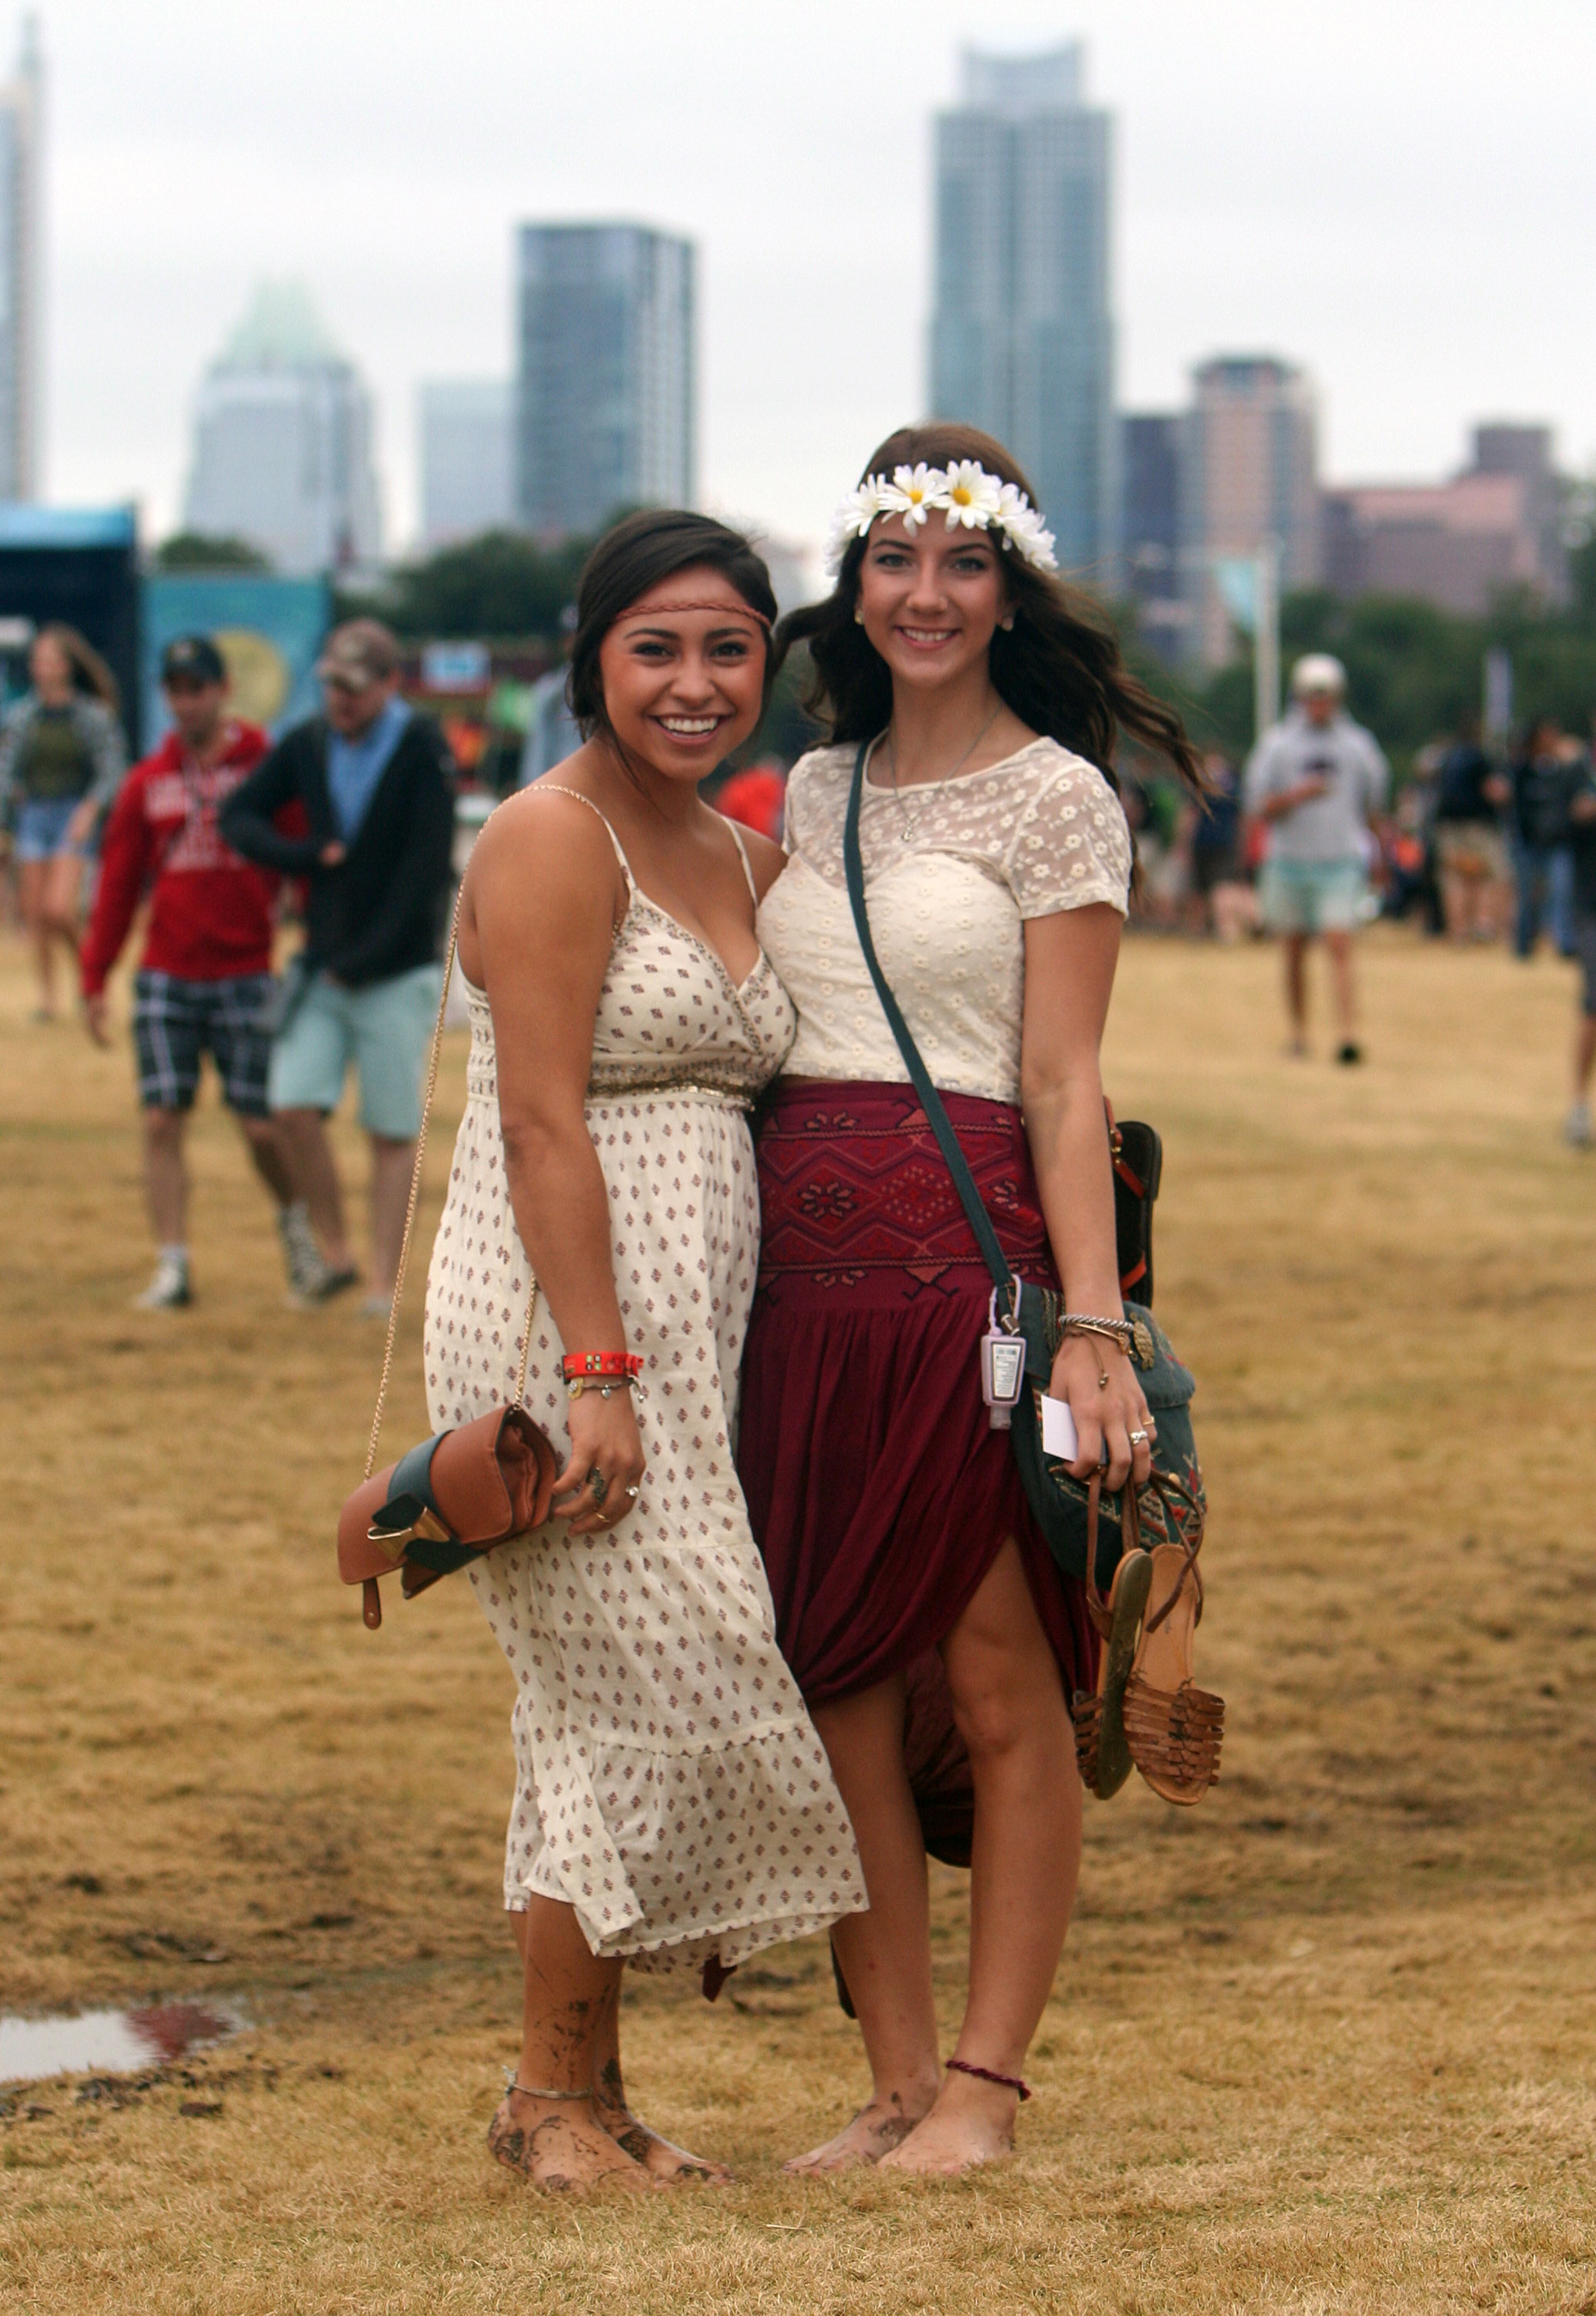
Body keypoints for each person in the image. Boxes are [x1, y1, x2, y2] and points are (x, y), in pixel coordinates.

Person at [736, 423, 1204, 2179]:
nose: (925, 594)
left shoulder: (1058, 796)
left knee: (1003, 1684)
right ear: (854, 582)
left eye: (964, 562)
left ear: (1010, 592)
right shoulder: (815, 787)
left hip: (972, 1281)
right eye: (895, 560)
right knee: (841, 1682)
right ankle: (891, 2080)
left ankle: (986, 2088)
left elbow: (1066, 1082)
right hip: (803, 1288)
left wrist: (1093, 1323)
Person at [422, 509, 861, 2192]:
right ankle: (553, 2092)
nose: (694, 682)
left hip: (698, 1328)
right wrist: (598, 1375)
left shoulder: (745, 858)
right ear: (592, 660)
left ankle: (576, 2098)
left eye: (728, 648)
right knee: (649, 1686)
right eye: (655, 648)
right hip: (563, 1326)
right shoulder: (552, 837)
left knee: (590, 1702)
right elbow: (540, 1123)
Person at [79, 635, 333, 1310]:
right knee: (161, 1119)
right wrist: (95, 975)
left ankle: (298, 1234)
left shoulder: (267, 769)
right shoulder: (148, 782)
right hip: (167, 970)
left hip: (247, 969)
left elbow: (305, 852)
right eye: (176, 690)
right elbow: (118, 884)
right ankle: (173, 1264)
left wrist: (316, 938)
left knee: (261, 1126)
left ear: (223, 691)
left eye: (197, 688)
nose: (186, 702)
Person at [220, 620, 455, 1315]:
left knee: (390, 1131)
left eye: (354, 688)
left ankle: (383, 1283)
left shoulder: (423, 748)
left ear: (389, 684)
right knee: (291, 1106)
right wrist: (303, 856)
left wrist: (368, 958)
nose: (340, 700)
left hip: (395, 970)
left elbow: (425, 873)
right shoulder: (309, 740)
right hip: (323, 967)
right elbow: (239, 815)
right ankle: (338, 1254)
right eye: (332, 686)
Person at [1244, 654, 1389, 1063]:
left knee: (1339, 942)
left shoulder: (1359, 746)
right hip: (1289, 860)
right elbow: (1258, 805)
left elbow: (1374, 806)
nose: (1320, 703)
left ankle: (1347, 1034)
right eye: (1313, 695)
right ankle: (1298, 1033)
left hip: (1340, 859)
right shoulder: (1278, 745)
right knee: (1292, 947)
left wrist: (1380, 857)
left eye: (1326, 696)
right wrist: (1297, 796)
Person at [0, 624, 126, 1021]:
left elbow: (112, 770)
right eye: (39, 661)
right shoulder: (22, 717)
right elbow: (6, 770)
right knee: (35, 913)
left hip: (74, 812)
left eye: (52, 660)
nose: (44, 668)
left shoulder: (93, 716)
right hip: (33, 814)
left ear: (69, 666)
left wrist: (91, 809)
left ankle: (87, 975)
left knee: (58, 909)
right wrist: (7, 816)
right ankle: (48, 999)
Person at [1509, 718, 1582, 960]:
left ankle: (1565, 942)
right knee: (1528, 896)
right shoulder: (1523, 770)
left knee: (1562, 892)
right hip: (1529, 842)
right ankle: (1524, 942)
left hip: (1558, 841)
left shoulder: (1565, 770)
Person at [1431, 718, 1510, 942]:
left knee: (1454, 878)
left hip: (1448, 826)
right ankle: (1483, 924)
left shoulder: (1447, 759)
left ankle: (1458, 930)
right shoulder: (1480, 759)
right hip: (1478, 827)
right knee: (1489, 874)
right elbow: (1494, 791)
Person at [1561, 742, 1596, 1146]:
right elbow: (1549, 829)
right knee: (1594, 1005)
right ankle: (1579, 1106)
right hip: (1592, 905)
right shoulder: (1577, 774)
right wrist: (1578, 816)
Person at [1184, 751, 1253, 942]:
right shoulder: (1234, 786)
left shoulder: (1199, 784)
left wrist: (1184, 844)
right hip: (1224, 842)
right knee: (1219, 888)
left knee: (1205, 889)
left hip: (1205, 843)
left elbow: (1190, 816)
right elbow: (1242, 819)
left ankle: (1200, 930)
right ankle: (1226, 931)